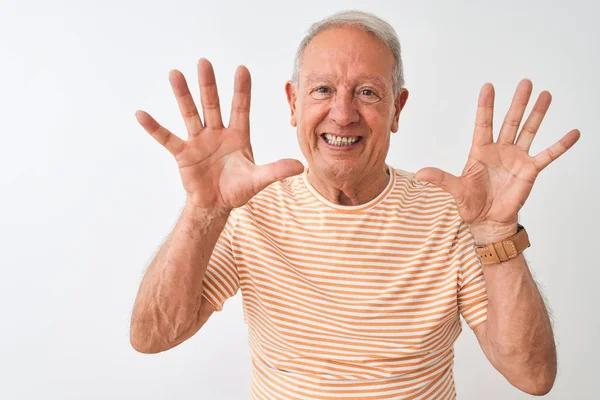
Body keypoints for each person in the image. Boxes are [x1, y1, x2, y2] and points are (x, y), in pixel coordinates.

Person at [129, 10, 580, 399]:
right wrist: (203, 211)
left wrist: (497, 232)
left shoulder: (453, 216)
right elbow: (151, 337)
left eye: (366, 92)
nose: (342, 114)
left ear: (397, 109)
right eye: (323, 90)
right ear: (293, 102)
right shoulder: (249, 211)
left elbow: (532, 376)